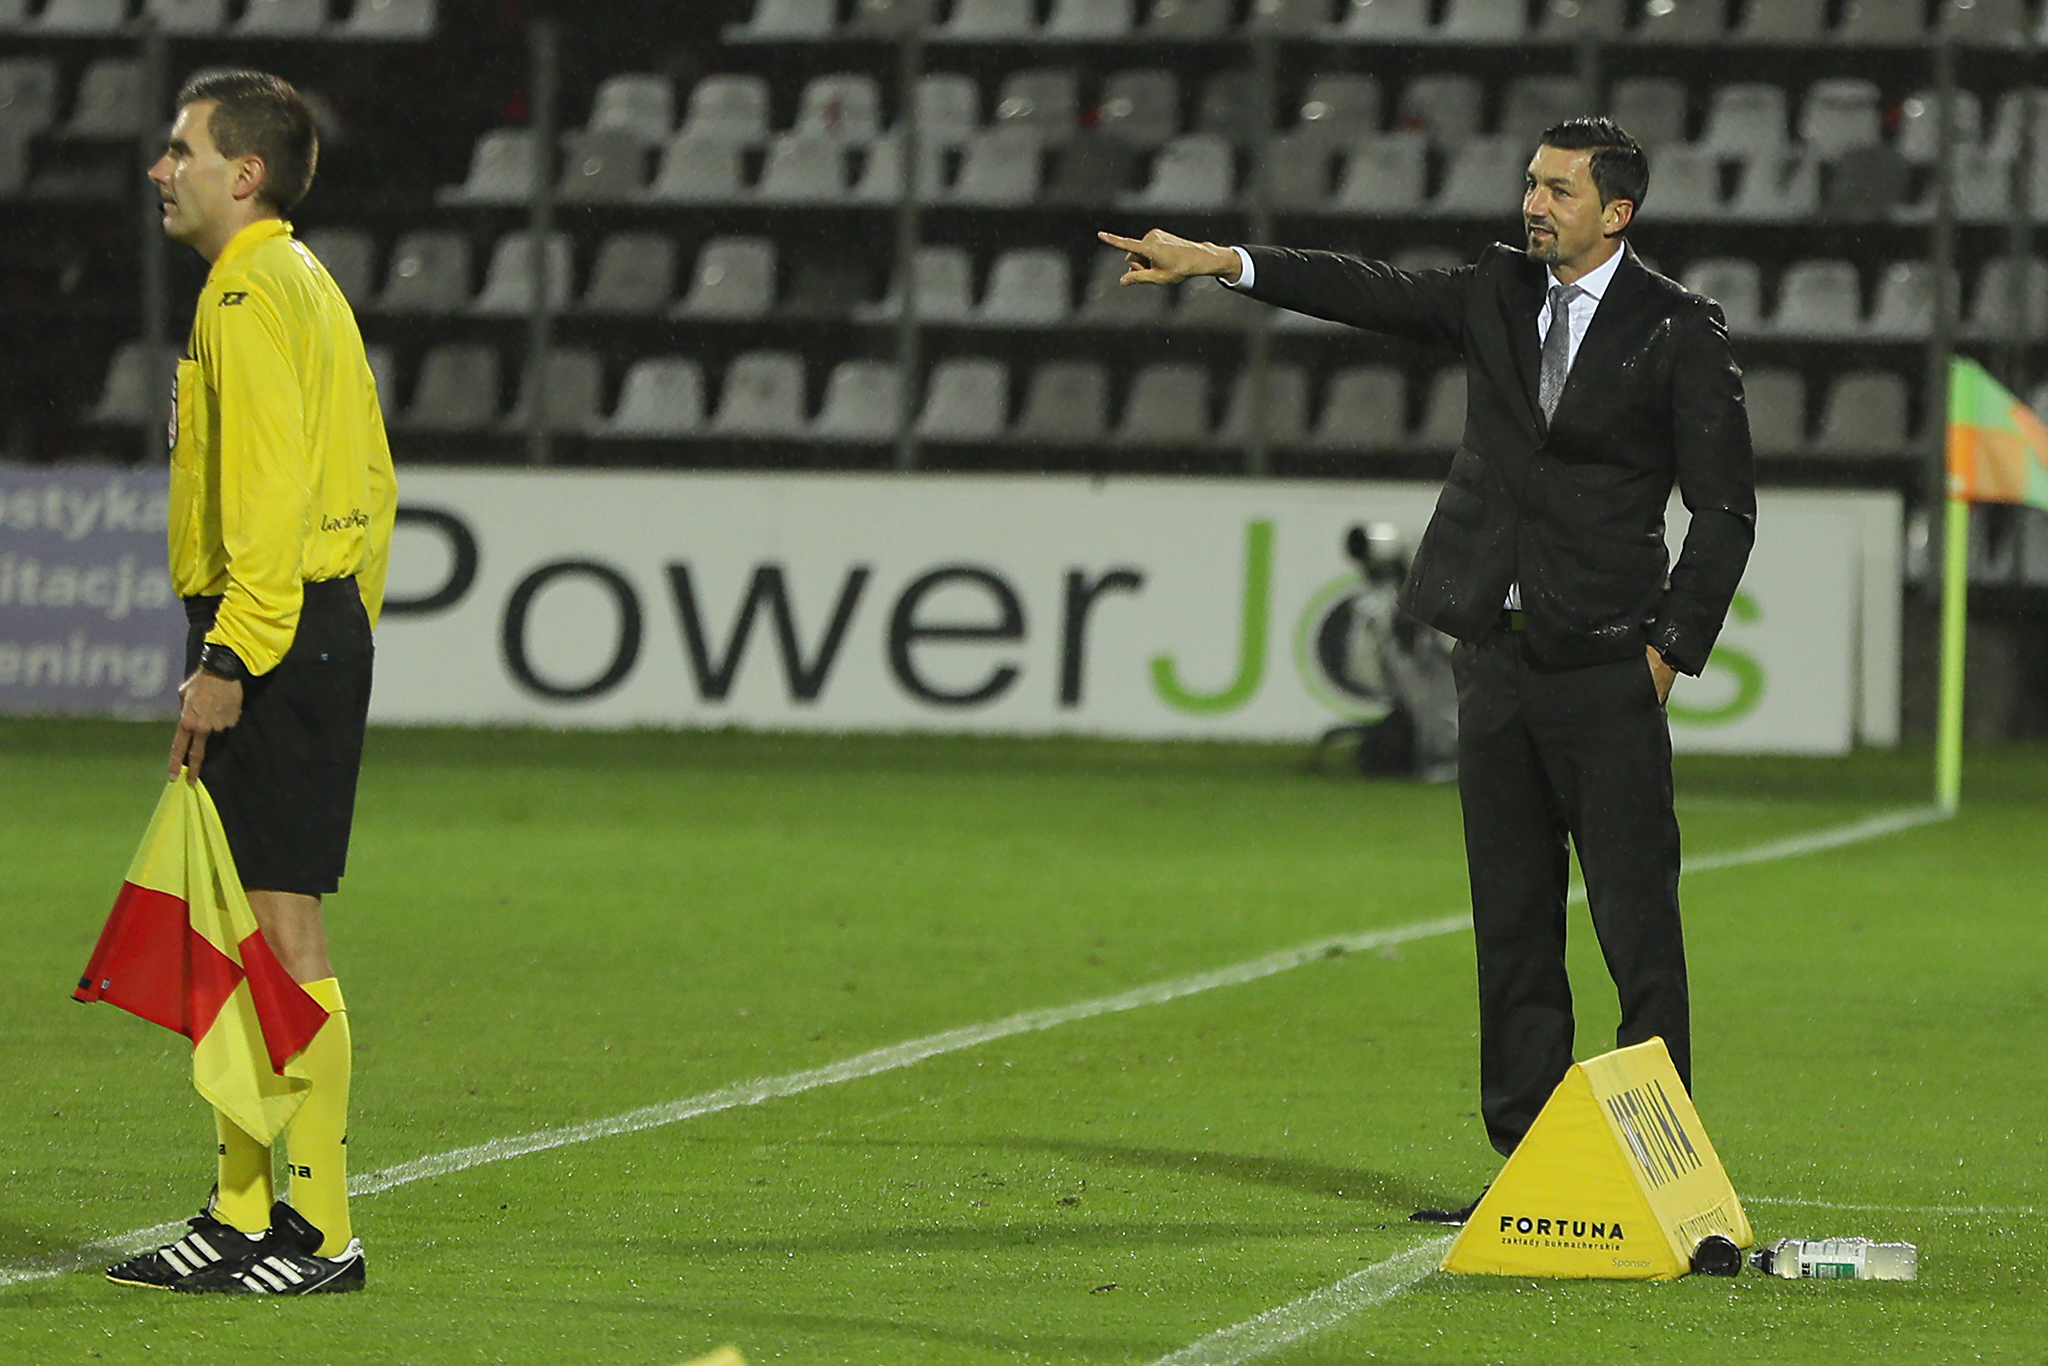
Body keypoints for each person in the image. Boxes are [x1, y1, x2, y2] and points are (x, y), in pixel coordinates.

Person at [1099, 117, 1755, 1222]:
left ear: (1616, 212)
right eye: (1531, 183)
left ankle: (1654, 1173)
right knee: (1511, 924)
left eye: (1557, 190)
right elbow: (1367, 290)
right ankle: (1531, 1170)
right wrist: (1221, 261)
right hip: (1492, 659)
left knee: (1636, 930)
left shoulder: (1678, 329)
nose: (1532, 204)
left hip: (1606, 666)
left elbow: (1725, 510)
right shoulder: (1497, 290)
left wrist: (1665, 653)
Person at [106, 69, 396, 1294]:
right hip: (300, 624)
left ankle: (319, 1232)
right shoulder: (300, 280)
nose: (160, 169)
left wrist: (235, 653)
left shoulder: (244, 291)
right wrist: (328, 623)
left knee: (279, 929)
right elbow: (371, 480)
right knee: (237, 931)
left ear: (246, 172)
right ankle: (240, 1213)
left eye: (181, 149)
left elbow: (269, 498)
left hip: (266, 631)